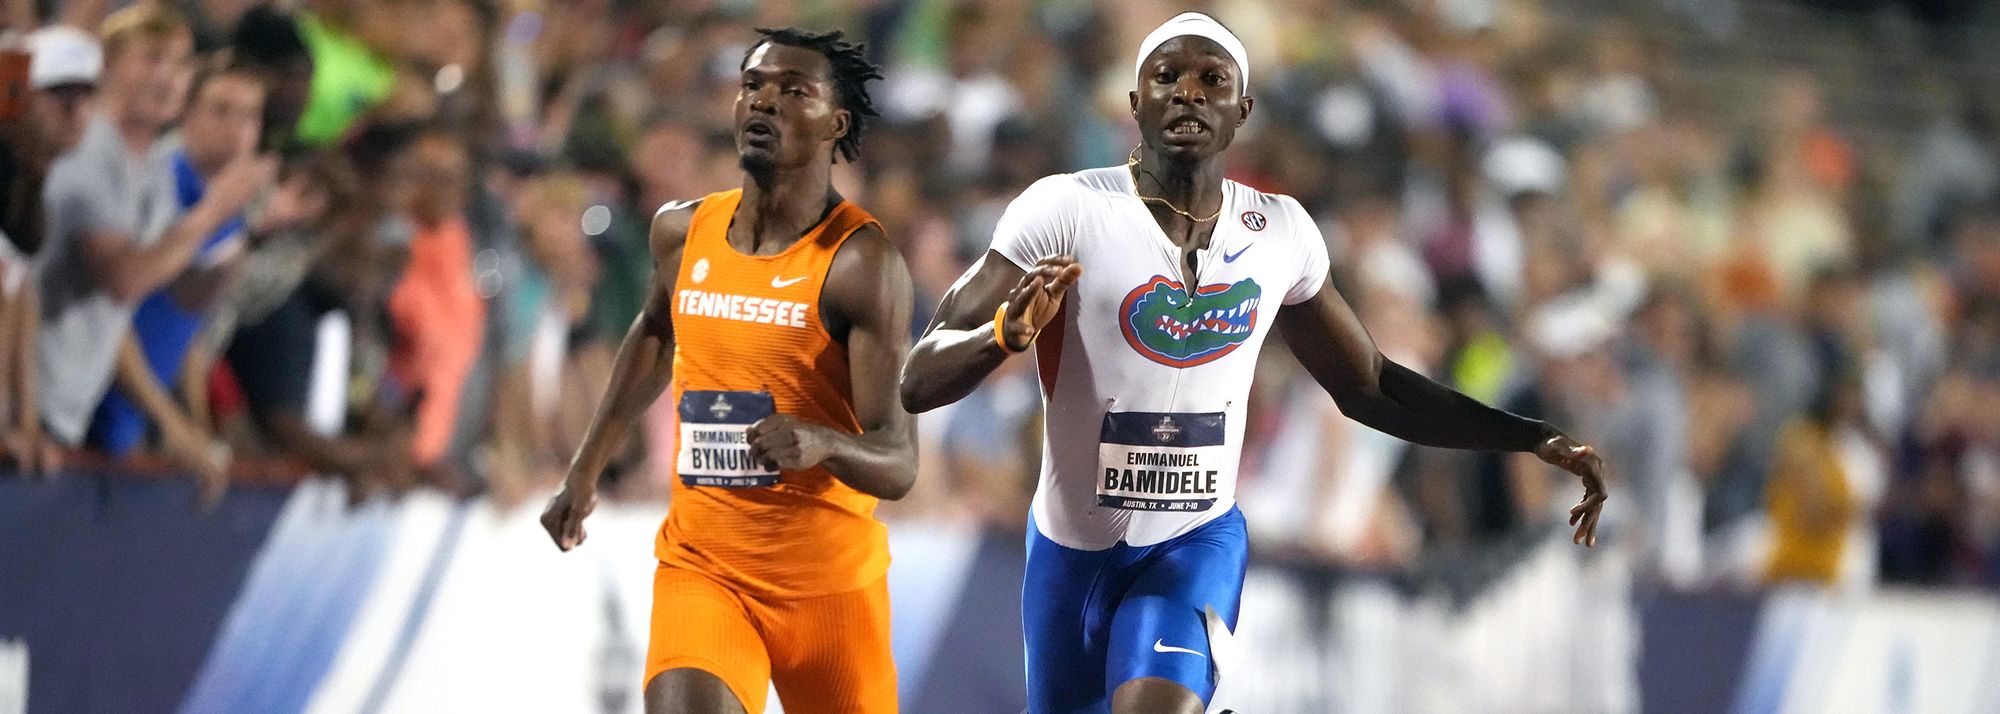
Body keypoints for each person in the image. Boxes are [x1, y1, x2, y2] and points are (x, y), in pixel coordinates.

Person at [899, 14, 1609, 714]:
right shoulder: (1064, 210)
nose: (1188, 93)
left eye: (1213, 80)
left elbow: (1370, 387)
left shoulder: (1280, 233)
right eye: (1166, 76)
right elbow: (918, 379)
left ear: (1243, 109)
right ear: (1133, 102)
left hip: (1194, 543)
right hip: (1070, 555)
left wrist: (1529, 436)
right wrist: (1000, 333)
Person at [539, 27, 913, 714]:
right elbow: (655, 332)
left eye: (792, 90)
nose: (763, 102)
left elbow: (897, 462)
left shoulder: (861, 265)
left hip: (829, 590)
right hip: (705, 569)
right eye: (753, 86)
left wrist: (821, 441)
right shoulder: (682, 232)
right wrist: (584, 470)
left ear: (837, 123)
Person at [36, 4, 273, 479]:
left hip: (70, 410)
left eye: (181, 63)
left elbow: (155, 306)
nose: (167, 77)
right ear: (107, 65)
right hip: (33, 405)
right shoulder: (84, 152)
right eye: (151, 59)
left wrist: (183, 422)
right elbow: (124, 280)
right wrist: (212, 214)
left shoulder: (148, 174)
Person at [88, 58, 267, 505]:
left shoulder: (228, 205)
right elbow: (112, 313)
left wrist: (195, 425)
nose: (236, 128)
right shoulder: (157, 183)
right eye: (221, 109)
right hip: (88, 409)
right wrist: (171, 423)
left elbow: (189, 323)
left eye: (250, 115)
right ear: (186, 112)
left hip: (130, 425)